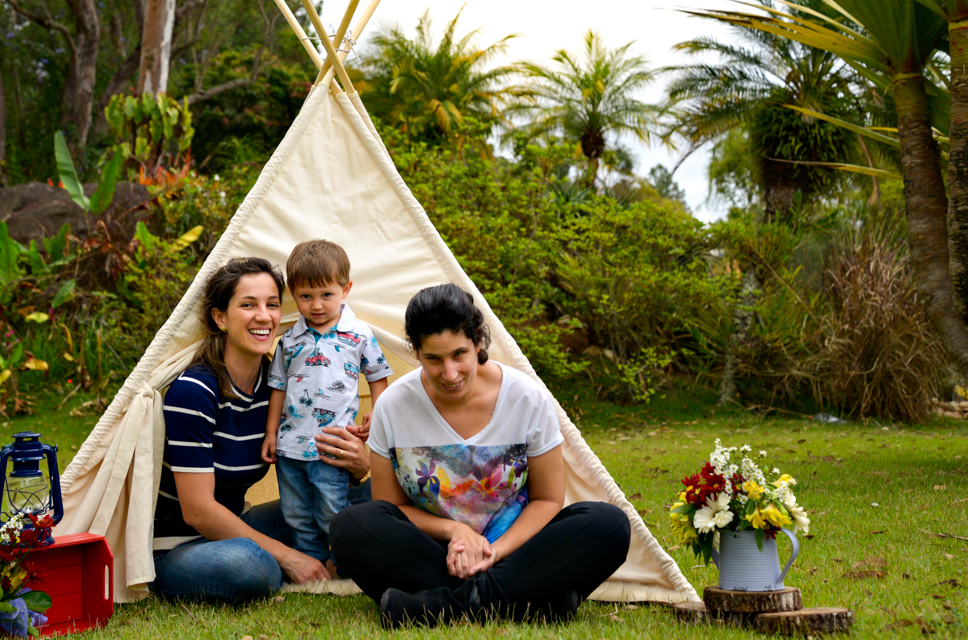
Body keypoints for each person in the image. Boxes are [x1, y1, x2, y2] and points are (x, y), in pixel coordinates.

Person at [329, 283, 631, 627]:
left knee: (609, 525)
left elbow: (547, 500)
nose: (450, 373)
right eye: (433, 358)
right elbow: (391, 509)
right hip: (433, 555)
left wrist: (494, 552)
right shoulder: (393, 406)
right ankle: (531, 603)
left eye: (459, 354)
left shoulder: (527, 398)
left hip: (514, 553)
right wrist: (455, 531)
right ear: (415, 351)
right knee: (349, 527)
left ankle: (436, 607)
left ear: (478, 343)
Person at [150, 256, 373, 604]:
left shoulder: (279, 386)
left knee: (375, 496)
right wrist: (288, 556)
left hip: (240, 524)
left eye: (272, 305)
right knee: (254, 566)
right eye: (248, 305)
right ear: (220, 317)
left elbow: (317, 462)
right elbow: (197, 511)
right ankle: (279, 560)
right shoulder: (194, 391)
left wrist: (358, 468)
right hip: (180, 547)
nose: (264, 316)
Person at [261, 240, 392, 572]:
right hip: (290, 447)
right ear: (293, 293)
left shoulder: (359, 334)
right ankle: (311, 561)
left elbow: (378, 377)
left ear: (345, 289)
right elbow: (278, 387)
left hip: (332, 445)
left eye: (326, 295)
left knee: (332, 509)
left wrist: (377, 410)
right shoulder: (288, 340)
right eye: (306, 297)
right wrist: (270, 432)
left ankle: (343, 561)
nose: (316, 305)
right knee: (295, 511)